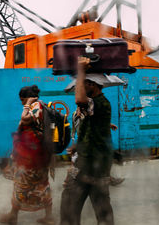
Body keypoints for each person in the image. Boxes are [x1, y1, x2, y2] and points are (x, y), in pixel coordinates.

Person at [60, 57, 114, 225]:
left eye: (83, 84)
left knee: (70, 198)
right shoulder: (97, 104)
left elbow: (79, 100)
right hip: (93, 161)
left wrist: (81, 70)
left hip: (90, 162)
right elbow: (89, 128)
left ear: (92, 85)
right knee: (100, 203)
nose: (81, 87)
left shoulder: (98, 103)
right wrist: (77, 145)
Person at [0, 85, 54, 225]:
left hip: (30, 157)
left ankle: (12, 216)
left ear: (26, 98)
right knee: (42, 183)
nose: (22, 103)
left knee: (21, 184)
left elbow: (25, 119)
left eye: (22, 100)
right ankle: (49, 217)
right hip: (39, 155)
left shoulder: (35, 106)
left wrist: (27, 105)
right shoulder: (43, 106)